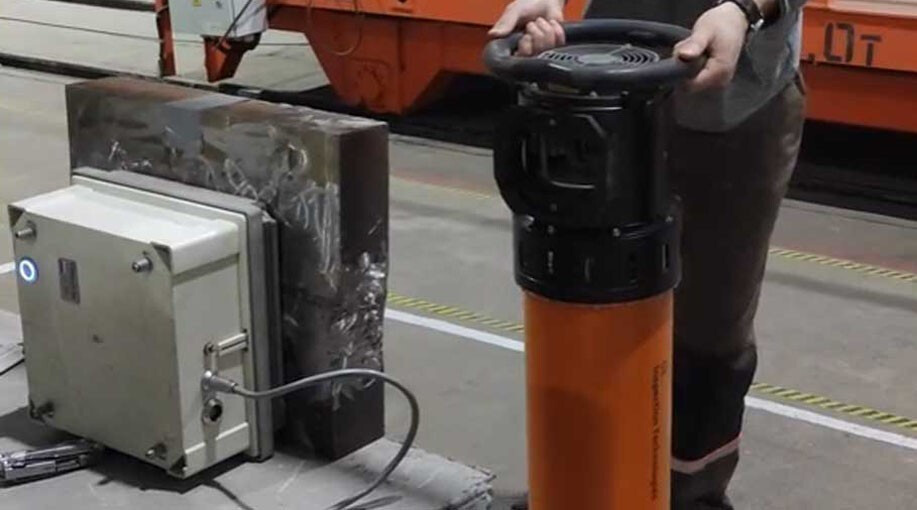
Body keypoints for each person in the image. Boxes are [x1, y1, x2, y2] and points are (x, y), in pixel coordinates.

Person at [489, 0, 807, 509]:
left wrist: (743, 10)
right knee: (589, 303)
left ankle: (691, 493)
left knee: (711, 329)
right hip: (606, 89)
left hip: (730, 105)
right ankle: (587, 486)